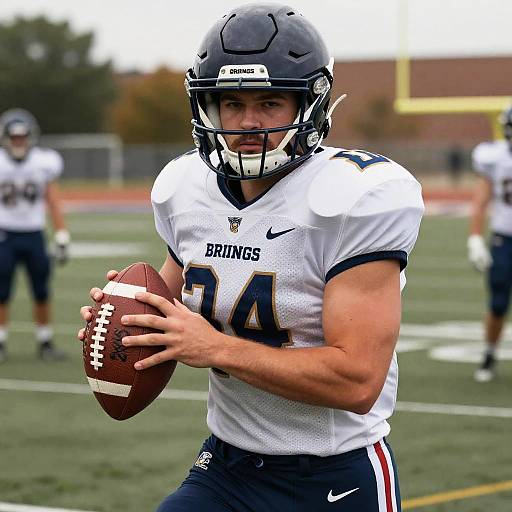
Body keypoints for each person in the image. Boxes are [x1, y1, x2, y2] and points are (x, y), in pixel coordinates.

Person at [79, 4, 424, 511]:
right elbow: (174, 307)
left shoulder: (354, 196)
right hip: (226, 466)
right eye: (231, 103)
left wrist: (216, 348)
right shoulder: (186, 188)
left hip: (331, 474)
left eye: (269, 103)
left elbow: (357, 380)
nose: (248, 123)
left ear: (311, 105)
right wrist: (127, 318)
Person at [0, 108, 70, 362]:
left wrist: (61, 233)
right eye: (14, 137)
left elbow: (52, 200)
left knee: (41, 289)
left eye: (23, 137)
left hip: (34, 235)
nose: (19, 142)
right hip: (4, 235)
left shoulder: (44, 162)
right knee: (1, 291)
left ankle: (45, 341)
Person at [468, 104, 512, 382]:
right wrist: (475, 238)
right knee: (498, 302)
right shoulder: (495, 158)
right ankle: (489, 353)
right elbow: (481, 199)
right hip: (504, 238)